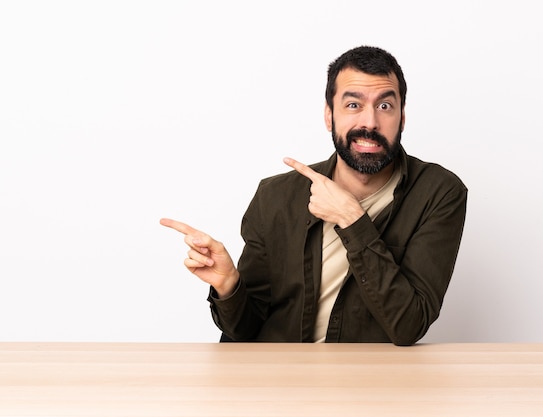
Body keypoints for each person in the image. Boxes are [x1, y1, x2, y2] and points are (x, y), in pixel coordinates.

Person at [160, 45, 467, 346]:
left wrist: (352, 220)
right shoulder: (276, 197)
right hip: (277, 380)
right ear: (329, 116)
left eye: (385, 106)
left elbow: (409, 326)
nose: (370, 122)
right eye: (353, 105)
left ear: (402, 118)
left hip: (366, 383)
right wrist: (229, 286)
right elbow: (243, 330)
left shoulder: (439, 193)